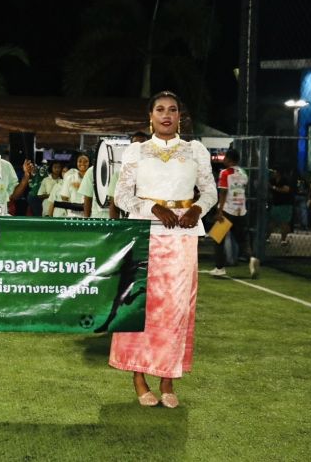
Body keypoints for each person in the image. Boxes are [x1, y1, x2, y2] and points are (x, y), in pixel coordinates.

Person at [110, 90, 217, 409]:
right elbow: (122, 197)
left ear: (180, 116)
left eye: (173, 109)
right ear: (151, 116)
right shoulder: (136, 152)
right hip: (146, 233)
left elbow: (210, 191)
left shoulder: (195, 150)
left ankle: (168, 379)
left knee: (176, 307)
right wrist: (154, 209)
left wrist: (198, 209)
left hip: (183, 235)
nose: (166, 114)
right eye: (160, 109)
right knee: (142, 301)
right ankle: (139, 377)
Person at [208, 148, 260, 278]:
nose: (224, 159)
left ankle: (219, 268)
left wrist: (219, 211)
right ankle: (252, 259)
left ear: (229, 159)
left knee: (217, 238)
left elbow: (223, 192)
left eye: (225, 157)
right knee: (242, 241)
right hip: (241, 211)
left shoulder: (225, 173)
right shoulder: (243, 173)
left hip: (227, 210)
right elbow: (243, 189)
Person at [81, 132, 149, 218]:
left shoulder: (155, 171)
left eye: (142, 144)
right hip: (125, 220)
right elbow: (114, 204)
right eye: (134, 144)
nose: (138, 147)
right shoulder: (119, 173)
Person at [58, 152, 90, 217]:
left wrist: (81, 187)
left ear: (89, 163)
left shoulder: (93, 178)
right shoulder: (70, 177)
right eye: (80, 161)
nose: (82, 163)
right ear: (76, 163)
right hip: (73, 214)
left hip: (89, 215)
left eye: (85, 161)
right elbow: (64, 197)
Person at [268, 169, 294, 246]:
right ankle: (267, 238)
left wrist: (273, 187)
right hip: (276, 203)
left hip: (285, 204)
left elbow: (286, 190)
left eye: (275, 171)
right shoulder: (272, 180)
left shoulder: (285, 180)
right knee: (272, 221)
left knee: (284, 222)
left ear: (279, 173)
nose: (273, 173)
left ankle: (283, 240)